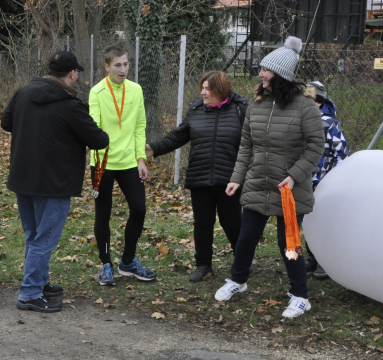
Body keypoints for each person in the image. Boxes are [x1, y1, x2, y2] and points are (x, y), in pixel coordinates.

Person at [214, 36, 324, 319]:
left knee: (288, 244)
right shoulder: (257, 103)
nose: (260, 74)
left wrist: (294, 176)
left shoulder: (305, 107)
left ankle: (300, 296)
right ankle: (238, 280)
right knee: (246, 237)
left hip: (288, 188)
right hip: (257, 183)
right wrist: (237, 177)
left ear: (281, 75)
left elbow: (315, 146)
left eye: (265, 69)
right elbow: (247, 144)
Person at [1, 51, 109, 313]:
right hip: (54, 183)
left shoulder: (23, 93)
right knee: (44, 239)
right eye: (77, 73)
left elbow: (6, 123)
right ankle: (29, 293)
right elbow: (99, 140)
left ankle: (39, 281)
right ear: (72, 74)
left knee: (33, 235)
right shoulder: (70, 106)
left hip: (23, 177)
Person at [145, 70, 248, 282]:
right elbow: (178, 135)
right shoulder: (196, 109)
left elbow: (251, 143)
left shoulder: (240, 109)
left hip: (230, 180)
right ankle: (203, 265)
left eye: (208, 89)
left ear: (221, 90)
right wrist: (152, 149)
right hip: (200, 177)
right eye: (202, 87)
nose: (203, 92)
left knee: (233, 223)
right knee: (202, 223)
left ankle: (243, 261)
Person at [88, 46, 155, 286]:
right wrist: (100, 152)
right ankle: (106, 264)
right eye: (118, 65)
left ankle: (127, 262)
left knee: (139, 209)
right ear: (107, 67)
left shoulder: (136, 90)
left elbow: (139, 127)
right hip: (103, 162)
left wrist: (140, 158)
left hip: (129, 162)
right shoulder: (96, 92)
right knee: (103, 213)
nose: (123, 70)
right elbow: (94, 127)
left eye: (126, 64)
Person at [304, 80, 349, 279]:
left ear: (319, 103)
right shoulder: (300, 121)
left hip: (323, 182)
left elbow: (342, 154)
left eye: (310, 100)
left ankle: (324, 260)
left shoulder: (330, 125)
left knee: (322, 221)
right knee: (307, 221)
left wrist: (334, 179)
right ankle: (312, 256)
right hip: (302, 180)